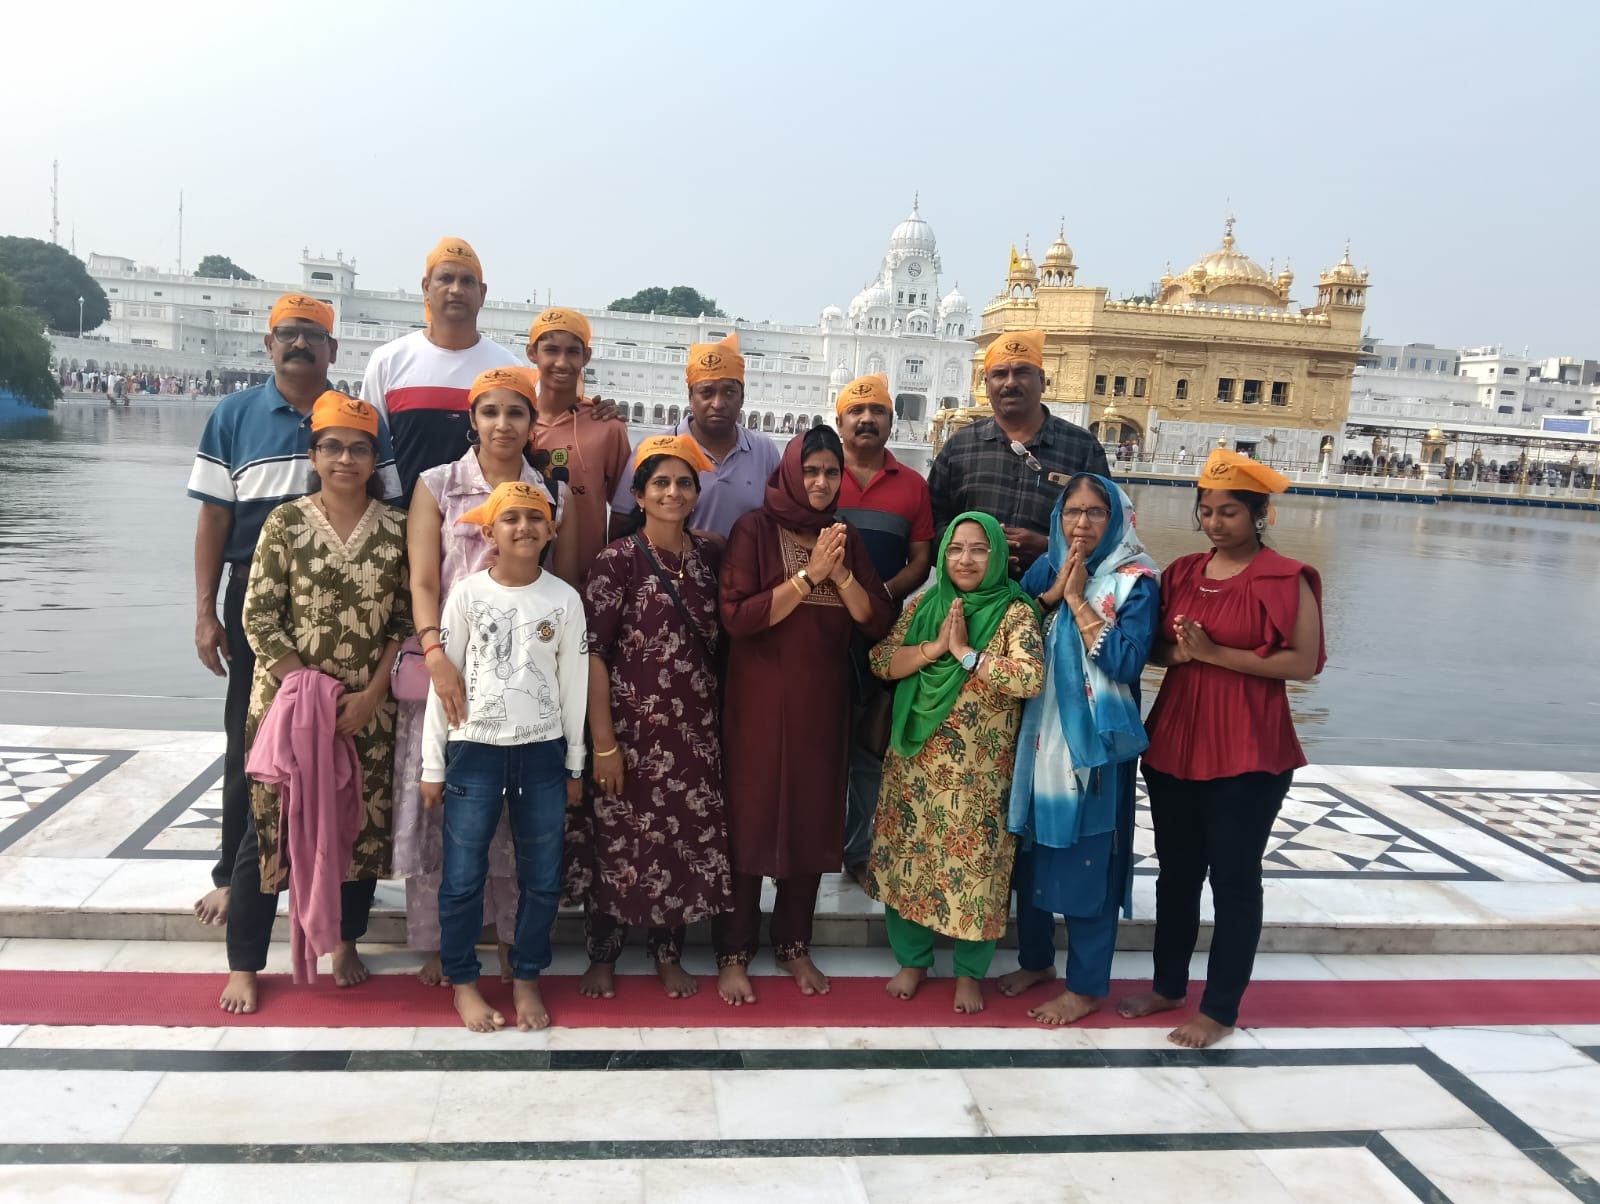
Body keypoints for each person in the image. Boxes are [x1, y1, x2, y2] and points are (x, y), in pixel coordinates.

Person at [189, 293, 400, 928]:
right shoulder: (234, 414)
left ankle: (339, 889)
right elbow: (214, 517)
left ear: (333, 349)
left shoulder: (363, 419)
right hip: (260, 595)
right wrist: (205, 610)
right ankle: (237, 876)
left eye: (313, 335)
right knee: (253, 743)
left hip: (355, 597)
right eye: (289, 333)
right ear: (269, 342)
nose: (300, 344)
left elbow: (387, 508)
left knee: (349, 755)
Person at [1117, 449, 1326, 1048]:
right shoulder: (1183, 572)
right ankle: (1167, 985)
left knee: (1234, 880)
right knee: (1176, 874)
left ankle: (1220, 1008)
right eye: (1207, 511)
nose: (1215, 523)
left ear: (1260, 515)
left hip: (1248, 749)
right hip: (1175, 743)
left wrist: (1216, 655)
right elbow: (1154, 648)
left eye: (1229, 512)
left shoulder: (1285, 578)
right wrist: (1180, 653)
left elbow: (1304, 662)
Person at [218, 392, 410, 1014]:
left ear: (375, 460)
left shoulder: (397, 529)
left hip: (367, 713)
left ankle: (345, 942)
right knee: (269, 833)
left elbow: (403, 620)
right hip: (289, 712)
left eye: (358, 449)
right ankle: (246, 963)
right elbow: (259, 616)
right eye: (332, 447)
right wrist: (309, 694)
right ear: (314, 455)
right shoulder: (286, 523)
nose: (345, 459)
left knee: (358, 828)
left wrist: (373, 693)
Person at [394, 366, 572, 987]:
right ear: (472, 419)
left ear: (532, 422)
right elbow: (422, 580)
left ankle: (510, 945)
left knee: (515, 828)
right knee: (449, 820)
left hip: (521, 685)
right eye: (490, 412)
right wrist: (435, 652)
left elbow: (564, 586)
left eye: (515, 412)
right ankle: (445, 943)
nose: (503, 424)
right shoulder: (438, 485)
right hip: (450, 677)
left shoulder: (549, 492)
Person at [717, 427, 896, 1004]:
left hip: (822, 703)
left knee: (813, 817)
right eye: (811, 471)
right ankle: (734, 949)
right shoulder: (753, 530)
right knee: (750, 816)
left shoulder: (844, 537)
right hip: (757, 703)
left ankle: (793, 943)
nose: (821, 483)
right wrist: (808, 577)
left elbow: (877, 620)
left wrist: (839, 574)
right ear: (792, 471)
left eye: (831, 472)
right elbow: (737, 618)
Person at [420, 481, 588, 1033]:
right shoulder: (467, 595)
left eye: (535, 517)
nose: (524, 527)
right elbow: (444, 686)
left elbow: (574, 686)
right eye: (510, 518)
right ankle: (463, 982)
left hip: (542, 754)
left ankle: (526, 976)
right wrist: (433, 764)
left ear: (551, 529)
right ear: (489, 532)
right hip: (475, 752)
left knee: (541, 876)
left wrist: (575, 762)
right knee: (463, 875)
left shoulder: (564, 600)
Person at [864, 513, 1044, 1013]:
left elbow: (1029, 678)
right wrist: (934, 648)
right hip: (915, 763)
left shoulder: (1014, 612)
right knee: (909, 859)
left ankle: (969, 972)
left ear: (998, 556)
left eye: (979, 549)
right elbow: (881, 661)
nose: (965, 559)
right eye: (955, 548)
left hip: (980, 773)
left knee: (977, 869)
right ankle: (913, 960)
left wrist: (965, 654)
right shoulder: (926, 604)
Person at [997, 476, 1160, 1025]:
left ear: (1117, 519)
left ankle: (1087, 986)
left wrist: (1077, 599)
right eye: (1072, 512)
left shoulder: (1136, 581)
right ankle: (1037, 959)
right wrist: (1052, 592)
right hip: (1039, 734)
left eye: (1095, 513)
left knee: (1092, 856)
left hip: (1095, 746)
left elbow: (1126, 662)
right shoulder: (1048, 566)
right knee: (1033, 845)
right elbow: (1012, 623)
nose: (1082, 525)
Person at [579, 434, 735, 1000]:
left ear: (696, 494)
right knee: (616, 840)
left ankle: (667, 952)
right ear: (640, 496)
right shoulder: (617, 560)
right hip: (630, 733)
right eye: (660, 483)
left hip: (694, 733)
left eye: (684, 483)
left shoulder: (710, 558)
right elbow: (593, 653)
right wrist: (604, 743)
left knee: (682, 842)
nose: (673, 493)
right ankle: (604, 954)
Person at [832, 372, 934, 886]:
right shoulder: (820, 476)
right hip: (821, 630)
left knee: (869, 745)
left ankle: (857, 849)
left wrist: (882, 595)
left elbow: (922, 560)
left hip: (881, 634)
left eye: (877, 411)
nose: (867, 419)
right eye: (857, 411)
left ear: (892, 422)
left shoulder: (912, 485)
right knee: (814, 742)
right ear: (839, 422)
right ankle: (808, 848)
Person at [927, 329, 1109, 576]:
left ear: (1042, 380)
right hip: (971, 595)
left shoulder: (1082, 448)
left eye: (1022, 372)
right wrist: (973, 548)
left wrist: (1050, 547)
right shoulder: (960, 447)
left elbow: (1108, 528)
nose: (1010, 383)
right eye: (1000, 374)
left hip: (1056, 591)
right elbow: (931, 521)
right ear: (986, 384)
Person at [361, 237, 520, 503]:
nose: (456, 289)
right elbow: (368, 448)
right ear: (426, 288)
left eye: (467, 281)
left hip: (484, 523)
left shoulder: (509, 369)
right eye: (446, 279)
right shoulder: (388, 361)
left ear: (482, 293)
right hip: (402, 519)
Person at [610, 334, 780, 539]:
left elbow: (778, 521)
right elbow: (621, 524)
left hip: (746, 561)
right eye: (706, 393)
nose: (718, 404)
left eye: (729, 392)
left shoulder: (763, 451)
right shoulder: (654, 448)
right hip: (673, 560)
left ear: (742, 397)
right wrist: (692, 543)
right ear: (691, 397)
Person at [524, 307, 632, 581]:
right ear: (532, 353)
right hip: (521, 576)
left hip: (588, 577)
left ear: (586, 356)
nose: (561, 363)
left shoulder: (607, 425)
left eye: (572, 352)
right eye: (551, 350)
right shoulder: (517, 423)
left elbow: (626, 508)